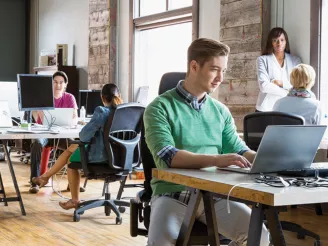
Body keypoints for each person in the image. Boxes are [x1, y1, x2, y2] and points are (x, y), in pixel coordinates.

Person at [143, 38, 270, 245]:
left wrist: (267, 159)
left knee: (260, 235)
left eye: (224, 70)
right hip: (173, 193)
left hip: (215, 195)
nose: (221, 77)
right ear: (194, 66)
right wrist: (216, 160)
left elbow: (238, 149)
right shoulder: (159, 107)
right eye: (214, 69)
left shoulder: (220, 111)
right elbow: (167, 157)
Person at [58, 83, 123, 210]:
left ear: (102, 97)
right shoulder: (127, 112)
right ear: (119, 95)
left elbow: (83, 136)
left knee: (71, 161)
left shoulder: (102, 112)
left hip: (103, 158)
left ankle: (75, 200)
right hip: (124, 159)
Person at [29, 71, 78, 193]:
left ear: (65, 84)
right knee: (37, 144)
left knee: (75, 146)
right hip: (45, 133)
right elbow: (35, 116)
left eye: (61, 82)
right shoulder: (43, 96)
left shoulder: (70, 98)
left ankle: (72, 183)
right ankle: (34, 181)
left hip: (62, 135)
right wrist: (38, 115)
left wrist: (72, 122)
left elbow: (75, 117)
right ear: (51, 83)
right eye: (55, 82)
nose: (58, 85)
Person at [256, 27, 302, 112]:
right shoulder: (262, 60)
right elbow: (264, 86)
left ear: (286, 41)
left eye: (282, 40)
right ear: (271, 43)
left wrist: (281, 83)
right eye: (275, 40)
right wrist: (288, 92)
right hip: (266, 108)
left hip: (288, 109)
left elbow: (298, 86)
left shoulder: (296, 60)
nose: (279, 43)